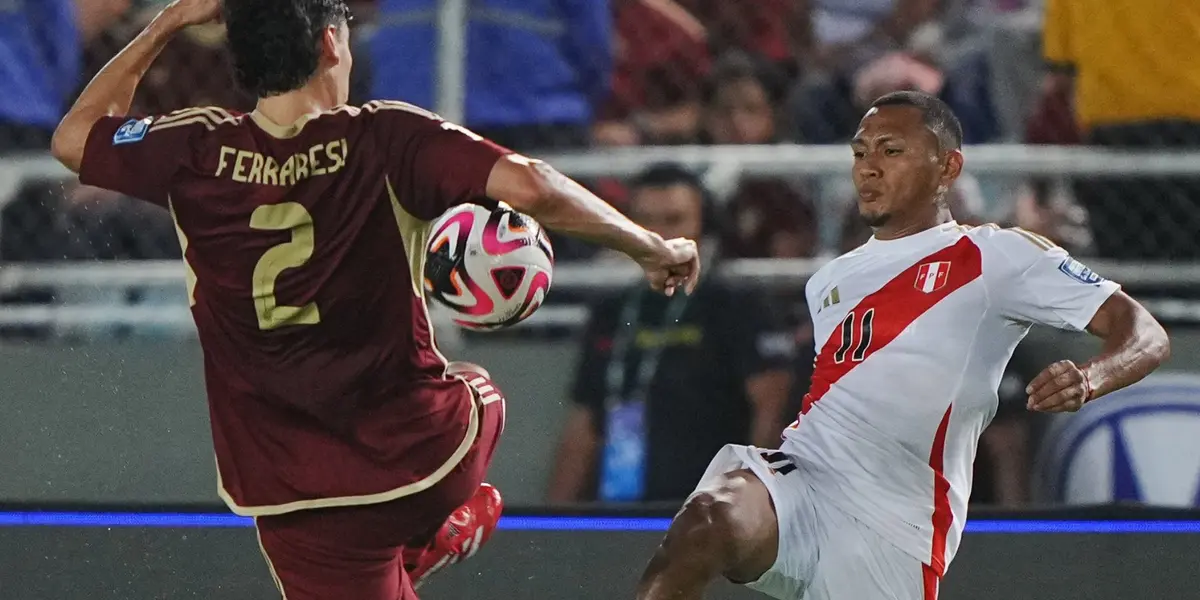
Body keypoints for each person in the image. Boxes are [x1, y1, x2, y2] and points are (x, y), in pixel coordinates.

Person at [48, 1, 700, 599]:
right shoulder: (384, 137)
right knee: (481, 394)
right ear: (332, 43)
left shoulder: (193, 149)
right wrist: (647, 245)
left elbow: (75, 137)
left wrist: (164, 24)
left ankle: (415, 549)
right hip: (423, 455)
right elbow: (532, 186)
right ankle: (422, 541)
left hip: (287, 489)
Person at [635, 91, 1169, 600]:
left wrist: (1091, 376)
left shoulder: (996, 255)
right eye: (860, 152)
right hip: (807, 476)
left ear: (948, 169)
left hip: (896, 525)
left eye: (891, 151)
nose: (868, 167)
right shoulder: (828, 281)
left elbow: (1145, 332)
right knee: (708, 519)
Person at [547, 164, 794, 504]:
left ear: (703, 226)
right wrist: (555, 519)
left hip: (708, 510)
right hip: (621, 507)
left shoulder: (737, 305)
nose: (660, 235)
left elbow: (772, 406)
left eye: (675, 220)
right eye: (646, 222)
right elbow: (584, 427)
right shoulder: (611, 311)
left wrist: (755, 503)